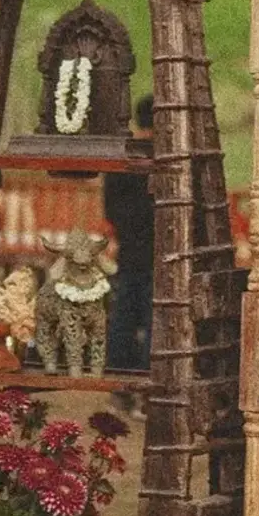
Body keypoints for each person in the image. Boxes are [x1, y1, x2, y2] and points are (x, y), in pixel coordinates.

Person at [104, 94, 155, 372]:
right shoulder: (164, 157)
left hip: (129, 246)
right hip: (158, 248)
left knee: (124, 309)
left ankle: (118, 370)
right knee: (153, 316)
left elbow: (110, 208)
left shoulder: (124, 156)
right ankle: (148, 372)